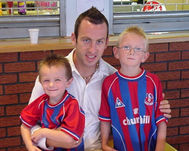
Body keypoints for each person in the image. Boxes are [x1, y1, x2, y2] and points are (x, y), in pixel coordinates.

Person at [28, 7, 171, 151]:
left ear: (107, 42)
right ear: (73, 38)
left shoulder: (113, 80)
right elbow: (30, 123)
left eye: (99, 42)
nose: (92, 49)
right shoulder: (52, 76)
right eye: (86, 40)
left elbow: (135, 113)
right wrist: (50, 142)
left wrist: (158, 106)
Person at [99, 26, 167, 151]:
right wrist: (104, 144)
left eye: (138, 49)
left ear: (145, 56)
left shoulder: (153, 81)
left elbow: (161, 120)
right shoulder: (109, 84)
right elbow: (105, 118)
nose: (131, 52)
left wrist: (160, 147)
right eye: (126, 47)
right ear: (116, 52)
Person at [20, 54, 85, 151]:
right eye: (46, 80)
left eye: (57, 80)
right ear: (40, 82)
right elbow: (24, 126)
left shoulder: (72, 105)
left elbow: (69, 139)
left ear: (68, 82)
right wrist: (30, 146)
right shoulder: (40, 102)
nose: (51, 85)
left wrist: (44, 132)